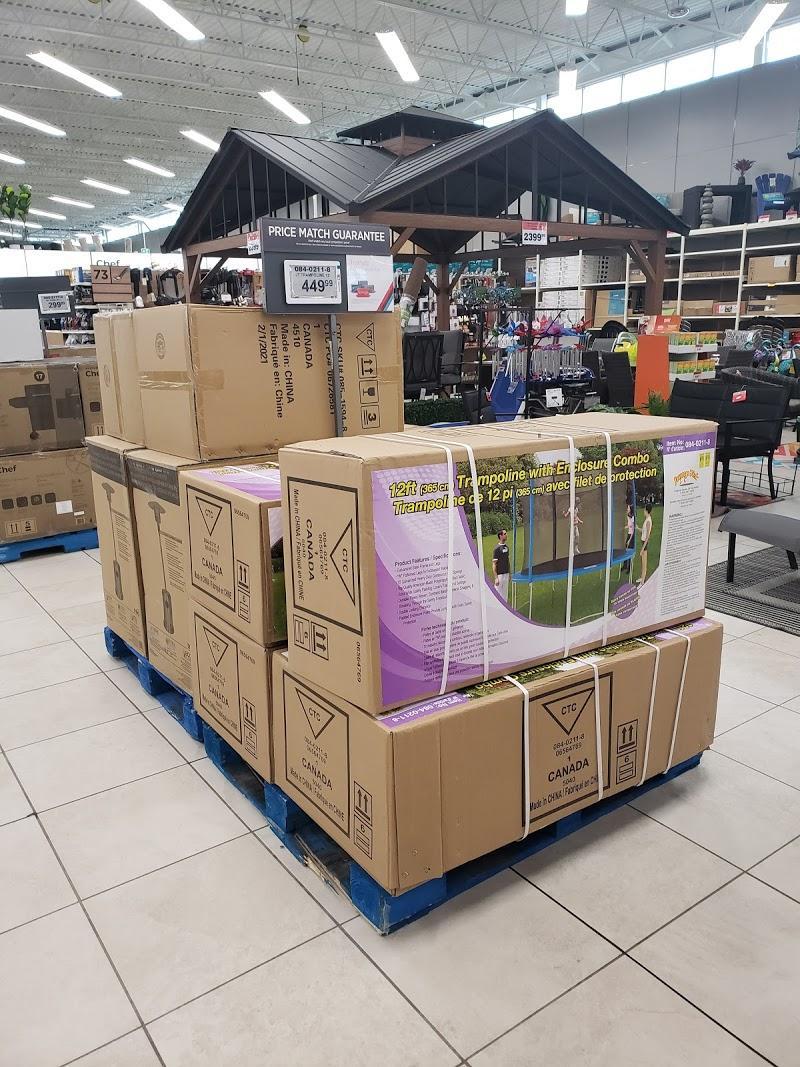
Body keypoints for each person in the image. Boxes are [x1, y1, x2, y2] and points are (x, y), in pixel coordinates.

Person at [492, 529, 511, 600]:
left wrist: (510, 574)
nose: (506, 535)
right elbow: (494, 564)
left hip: (506, 574)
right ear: (500, 536)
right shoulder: (497, 549)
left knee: (505, 595)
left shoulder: (506, 547)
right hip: (500, 575)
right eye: (505, 534)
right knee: (497, 595)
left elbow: (508, 561)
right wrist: (496, 578)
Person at [639, 503, 653, 585]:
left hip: (645, 543)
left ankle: (642, 581)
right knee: (642, 562)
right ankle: (642, 577)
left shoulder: (648, 521)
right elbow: (643, 531)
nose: (643, 511)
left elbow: (647, 537)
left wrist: (642, 549)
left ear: (647, 511)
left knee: (644, 563)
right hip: (643, 542)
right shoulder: (647, 519)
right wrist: (638, 528)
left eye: (644, 510)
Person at [622, 502, 635, 575]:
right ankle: (625, 565)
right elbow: (629, 526)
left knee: (629, 551)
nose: (627, 509)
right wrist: (623, 528)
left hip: (632, 536)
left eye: (628, 508)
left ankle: (629, 568)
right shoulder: (628, 516)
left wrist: (629, 540)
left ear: (630, 509)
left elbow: (633, 530)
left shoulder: (632, 517)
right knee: (625, 550)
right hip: (629, 534)